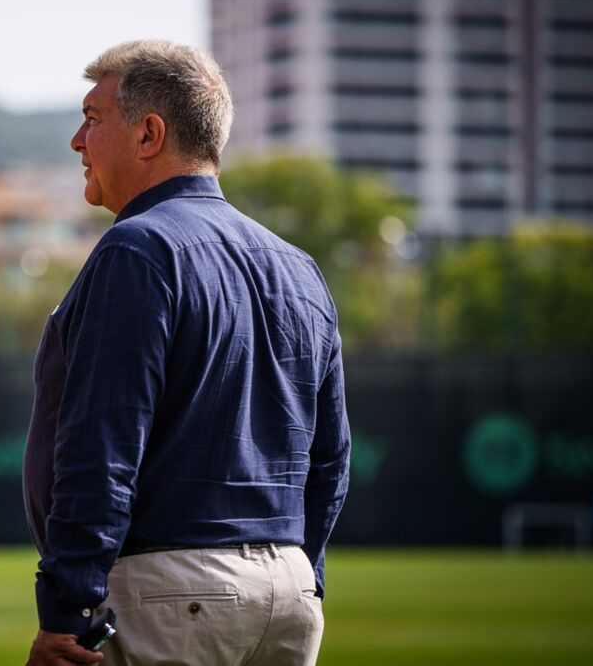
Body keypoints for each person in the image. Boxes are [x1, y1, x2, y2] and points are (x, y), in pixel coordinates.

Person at [23, 40, 350, 666]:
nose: (75, 140)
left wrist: (67, 608)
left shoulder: (137, 249)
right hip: (288, 591)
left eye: (92, 119)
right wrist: (303, 572)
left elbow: (103, 447)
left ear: (149, 133)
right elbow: (330, 458)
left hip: (172, 594)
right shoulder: (300, 266)